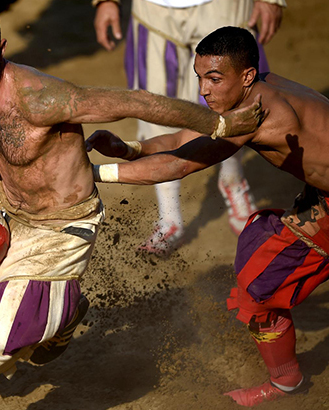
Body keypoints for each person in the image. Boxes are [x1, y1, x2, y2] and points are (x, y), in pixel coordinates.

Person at [0, 4, 264, 410]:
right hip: (2, 207)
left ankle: (63, 317)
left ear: (1, 48)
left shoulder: (42, 98)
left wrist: (221, 125)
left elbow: (136, 103)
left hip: (61, 225)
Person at [86, 26, 328, 406]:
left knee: (259, 287)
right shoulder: (263, 85)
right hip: (321, 197)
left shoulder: (257, 114)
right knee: (259, 258)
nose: (203, 90)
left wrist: (93, 174)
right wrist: (129, 148)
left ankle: (285, 383)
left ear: (246, 76)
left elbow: (178, 166)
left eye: (214, 79)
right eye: (200, 77)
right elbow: (183, 140)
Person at [93, 0, 286, 255]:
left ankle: (233, 181)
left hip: (223, 6)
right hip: (154, 10)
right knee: (155, 107)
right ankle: (170, 217)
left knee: (233, 100)